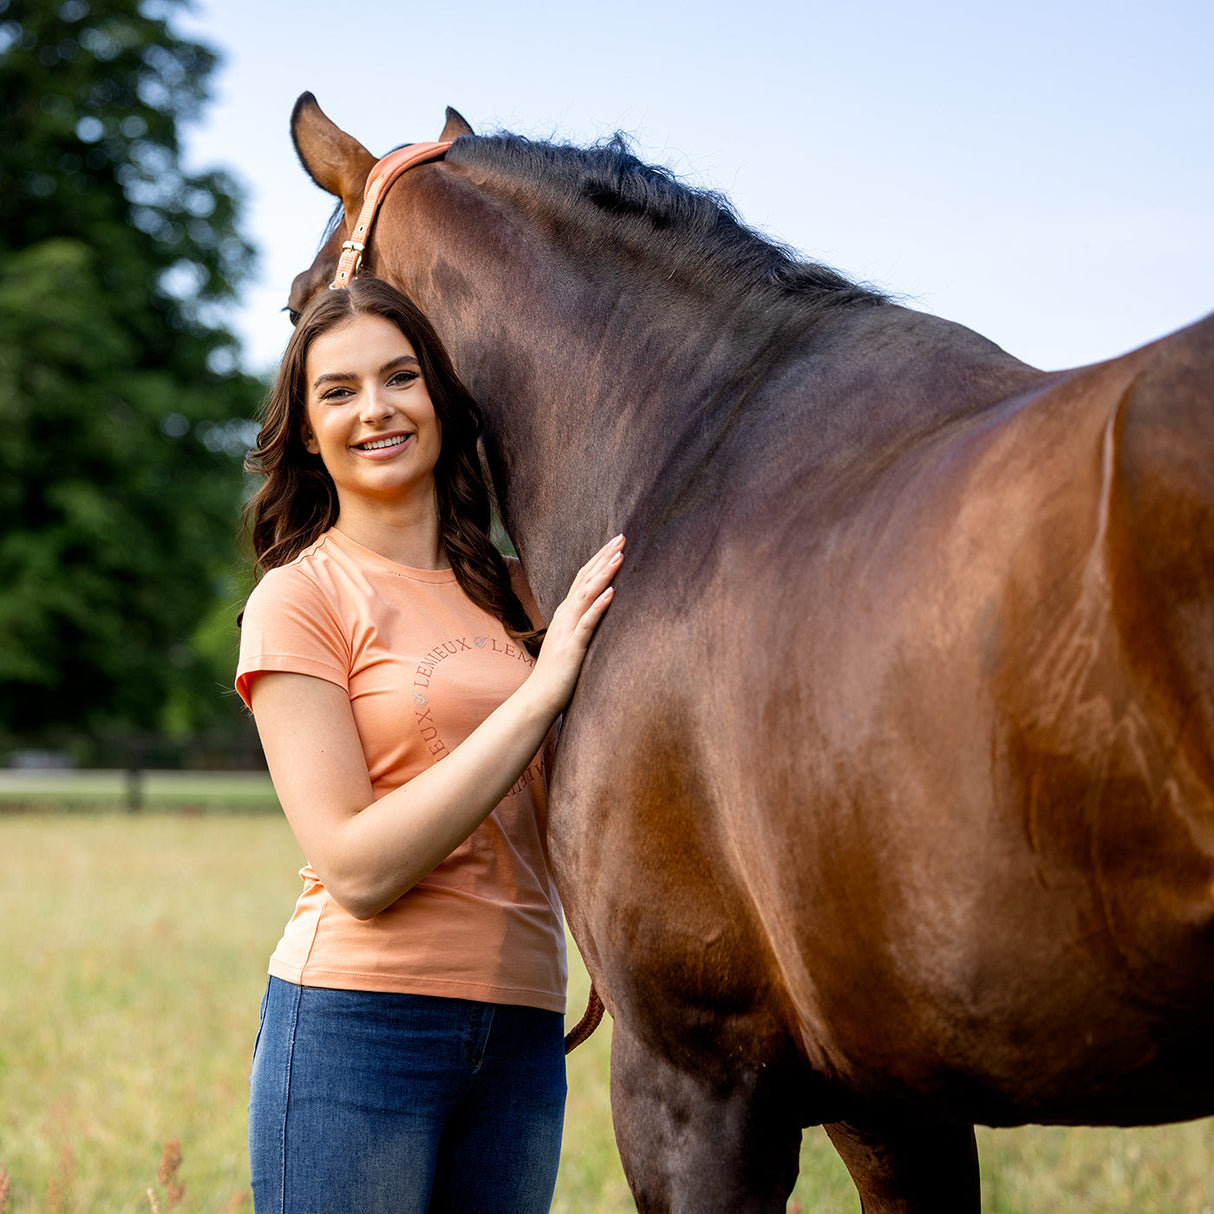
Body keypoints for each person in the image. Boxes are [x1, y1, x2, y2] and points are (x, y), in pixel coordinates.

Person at [235, 275, 623, 1214]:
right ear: (308, 430)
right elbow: (355, 869)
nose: (375, 409)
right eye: (338, 390)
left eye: (400, 377)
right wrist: (539, 695)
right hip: (358, 1025)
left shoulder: (533, 596)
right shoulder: (302, 598)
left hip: (522, 1026)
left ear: (440, 401)